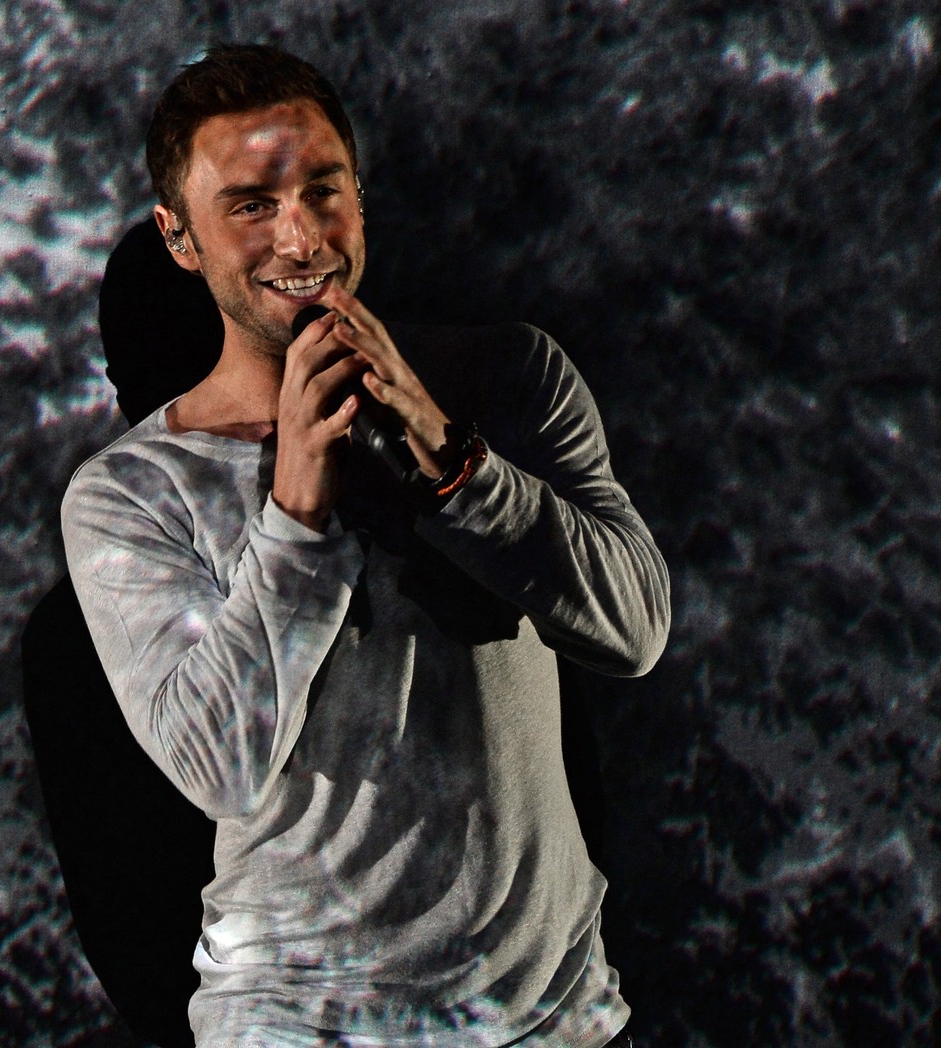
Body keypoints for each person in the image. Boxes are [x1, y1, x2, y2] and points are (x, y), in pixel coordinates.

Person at [61, 44, 669, 1047]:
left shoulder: (511, 381)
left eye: (321, 189)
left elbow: (634, 630)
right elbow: (218, 766)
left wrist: (453, 461)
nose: (299, 236)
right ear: (179, 237)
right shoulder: (131, 494)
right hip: (299, 1022)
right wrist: (294, 505)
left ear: (358, 192)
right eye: (249, 205)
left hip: (548, 1016)